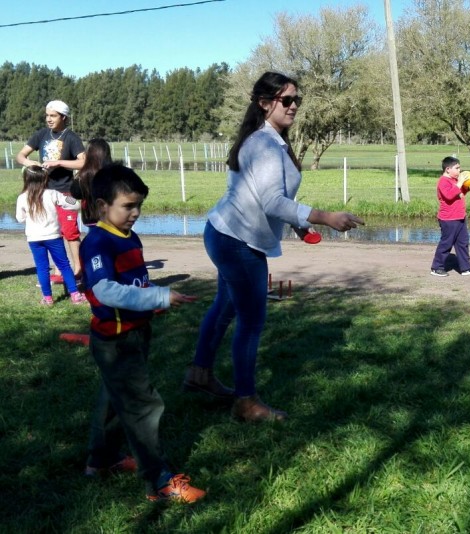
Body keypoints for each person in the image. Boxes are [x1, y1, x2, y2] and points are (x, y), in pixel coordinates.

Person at [185, 71, 364, 422]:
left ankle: (199, 374)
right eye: (287, 100)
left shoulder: (265, 139)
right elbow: (269, 201)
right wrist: (323, 215)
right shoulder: (264, 144)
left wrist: (297, 223)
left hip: (225, 233)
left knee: (225, 306)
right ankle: (246, 401)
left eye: (297, 99)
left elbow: (267, 197)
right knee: (251, 320)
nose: (294, 105)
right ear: (265, 103)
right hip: (237, 241)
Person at [80, 164, 205, 503]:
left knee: (113, 399)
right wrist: (159, 295)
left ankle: (102, 460)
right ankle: (160, 481)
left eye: (139, 206)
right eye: (128, 206)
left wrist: (153, 298)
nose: (135, 213)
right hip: (115, 341)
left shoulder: (128, 236)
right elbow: (106, 290)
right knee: (143, 406)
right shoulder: (97, 243)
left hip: (136, 333)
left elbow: (135, 282)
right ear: (102, 205)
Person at [16, 100, 86, 279]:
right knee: (52, 232)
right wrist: (29, 162)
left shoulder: (71, 137)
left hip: (65, 192)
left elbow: (83, 161)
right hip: (43, 193)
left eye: (53, 115)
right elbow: (20, 155)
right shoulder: (41, 135)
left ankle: (78, 269)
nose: (49, 119)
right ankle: (59, 270)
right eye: (47, 115)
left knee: (70, 232)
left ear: (63, 117)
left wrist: (59, 162)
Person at [15, 166, 87, 306]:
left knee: (42, 267)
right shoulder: (53, 194)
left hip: (34, 238)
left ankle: (47, 298)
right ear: (45, 179)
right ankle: (75, 295)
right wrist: (67, 205)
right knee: (64, 265)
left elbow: (20, 218)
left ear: (26, 179)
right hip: (53, 237)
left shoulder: (22, 197)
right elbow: (75, 204)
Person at [429, 157, 470, 277]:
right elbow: (448, 195)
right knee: (446, 243)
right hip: (448, 219)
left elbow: (462, 191)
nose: (460, 170)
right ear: (448, 169)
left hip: (460, 217)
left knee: (463, 243)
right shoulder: (443, 181)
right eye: (457, 168)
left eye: (459, 168)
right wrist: (459, 183)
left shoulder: (454, 180)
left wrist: (465, 183)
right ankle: (437, 267)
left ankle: (466, 267)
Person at [70, 138, 113, 226]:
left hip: (91, 218)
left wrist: (77, 177)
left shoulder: (85, 175)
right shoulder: (117, 172)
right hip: (113, 218)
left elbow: (76, 193)